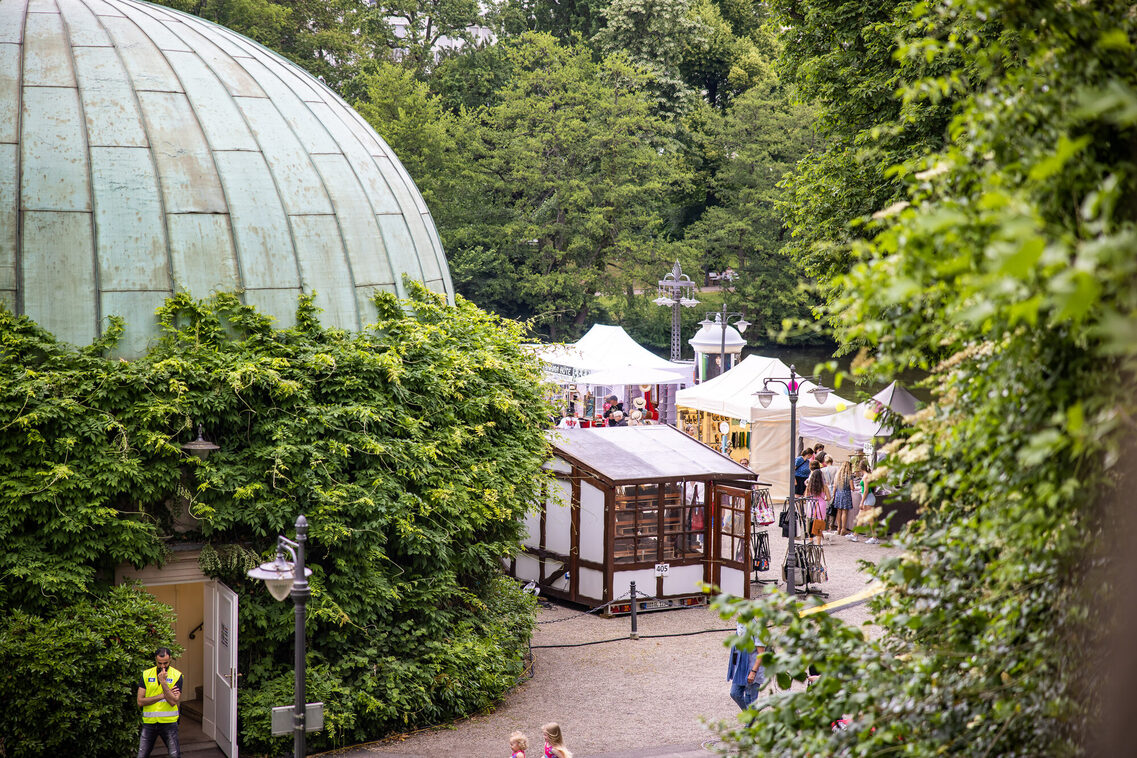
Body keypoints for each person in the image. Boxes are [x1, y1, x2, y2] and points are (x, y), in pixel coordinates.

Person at [136, 647, 183, 758]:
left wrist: (163, 683)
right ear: (156, 660)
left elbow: (173, 701)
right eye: (159, 663)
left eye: (165, 663)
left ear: (170, 659)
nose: (162, 666)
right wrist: (163, 695)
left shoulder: (177, 675)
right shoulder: (146, 674)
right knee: (142, 755)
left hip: (169, 722)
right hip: (150, 722)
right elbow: (140, 701)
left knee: (174, 755)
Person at [727, 622, 766, 711]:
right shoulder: (740, 625)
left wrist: (753, 672)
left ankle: (751, 720)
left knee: (750, 700)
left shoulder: (757, 629)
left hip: (752, 669)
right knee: (735, 693)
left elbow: (761, 654)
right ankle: (750, 716)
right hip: (740, 670)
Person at [804, 460, 829, 545]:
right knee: (819, 523)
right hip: (821, 504)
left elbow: (805, 496)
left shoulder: (810, 485)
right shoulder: (824, 486)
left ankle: (810, 540)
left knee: (811, 522)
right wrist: (823, 499)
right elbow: (828, 498)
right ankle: (818, 542)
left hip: (811, 504)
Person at [831, 460, 855, 537]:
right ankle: (843, 529)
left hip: (838, 493)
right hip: (846, 494)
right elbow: (852, 488)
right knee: (844, 512)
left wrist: (834, 495)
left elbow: (834, 486)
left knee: (839, 511)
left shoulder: (837, 474)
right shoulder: (849, 476)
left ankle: (838, 528)